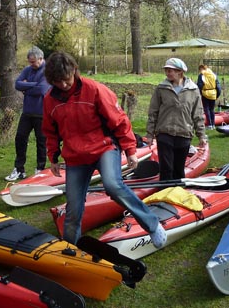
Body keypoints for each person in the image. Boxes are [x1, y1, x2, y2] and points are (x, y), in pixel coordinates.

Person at [42, 51, 166, 248]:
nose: (64, 85)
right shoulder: (50, 100)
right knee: (73, 208)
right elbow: (50, 131)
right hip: (75, 156)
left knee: (112, 185)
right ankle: (69, 249)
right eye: (58, 82)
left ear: (74, 71)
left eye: (66, 80)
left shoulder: (95, 90)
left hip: (104, 147)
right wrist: (53, 157)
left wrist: (130, 149)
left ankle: (152, 225)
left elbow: (119, 121)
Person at [146, 58, 208, 181]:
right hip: (164, 133)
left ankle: (177, 195)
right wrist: (149, 134)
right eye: (166, 71)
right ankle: (163, 194)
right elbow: (153, 112)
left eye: (171, 71)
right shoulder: (161, 89)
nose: (168, 73)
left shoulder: (193, 90)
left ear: (180, 72)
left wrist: (201, 135)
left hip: (184, 133)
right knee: (166, 169)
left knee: (179, 170)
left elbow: (198, 114)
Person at [5, 46, 51, 181]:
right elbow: (17, 85)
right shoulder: (27, 69)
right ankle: (19, 169)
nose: (31, 64)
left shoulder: (48, 71)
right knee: (20, 138)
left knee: (41, 142)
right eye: (30, 62)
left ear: (41, 59)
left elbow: (42, 89)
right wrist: (33, 84)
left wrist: (27, 87)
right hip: (27, 112)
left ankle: (40, 169)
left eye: (33, 62)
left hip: (42, 113)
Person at [197, 64, 221, 130]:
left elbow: (200, 85)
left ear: (201, 69)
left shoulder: (201, 75)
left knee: (206, 109)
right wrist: (217, 94)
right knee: (212, 109)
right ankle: (213, 124)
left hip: (205, 93)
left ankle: (209, 124)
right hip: (213, 93)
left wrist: (199, 94)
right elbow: (218, 85)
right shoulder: (213, 75)